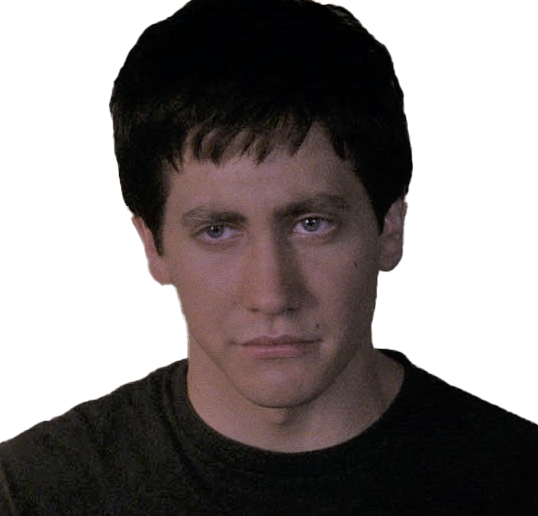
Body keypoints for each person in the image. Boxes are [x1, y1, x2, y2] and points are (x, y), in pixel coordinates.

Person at [1, 0, 537, 514]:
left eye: (312, 224)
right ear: (152, 244)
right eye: (217, 231)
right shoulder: (31, 493)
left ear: (389, 226)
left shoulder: (516, 481)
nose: (272, 294)